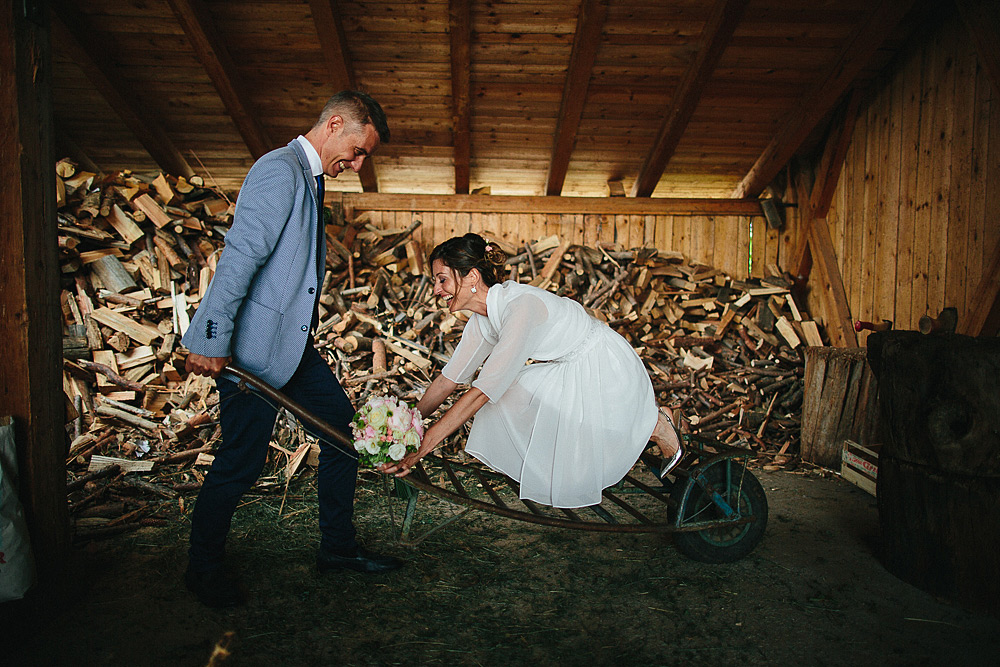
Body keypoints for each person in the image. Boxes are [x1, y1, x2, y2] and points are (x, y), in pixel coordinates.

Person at [182, 91, 403, 608]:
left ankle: (337, 550)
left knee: (344, 434)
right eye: (358, 148)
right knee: (241, 461)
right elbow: (240, 256)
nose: (359, 162)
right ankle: (203, 566)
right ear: (334, 123)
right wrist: (211, 338)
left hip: (289, 348)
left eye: (365, 155)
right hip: (250, 352)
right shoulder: (280, 171)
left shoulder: (311, 178)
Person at [382, 233, 684, 509]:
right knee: (511, 397)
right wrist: (406, 423)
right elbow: (448, 380)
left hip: (601, 362)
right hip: (563, 365)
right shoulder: (483, 318)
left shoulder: (520, 308)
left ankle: (657, 422)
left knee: (503, 396)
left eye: (442, 280)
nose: (436, 290)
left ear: (471, 276)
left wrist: (422, 446)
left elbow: (483, 391)